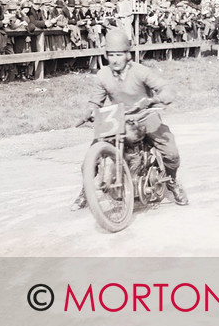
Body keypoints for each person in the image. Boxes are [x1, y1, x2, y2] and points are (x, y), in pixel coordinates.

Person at [71, 28, 188, 210]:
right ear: (106, 56)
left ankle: (172, 182)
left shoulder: (141, 72)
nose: (115, 59)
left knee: (170, 152)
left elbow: (166, 89)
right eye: (111, 55)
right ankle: (86, 190)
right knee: (90, 157)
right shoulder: (103, 75)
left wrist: (152, 100)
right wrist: (91, 111)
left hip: (144, 116)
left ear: (127, 55)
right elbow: (96, 101)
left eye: (119, 54)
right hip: (117, 118)